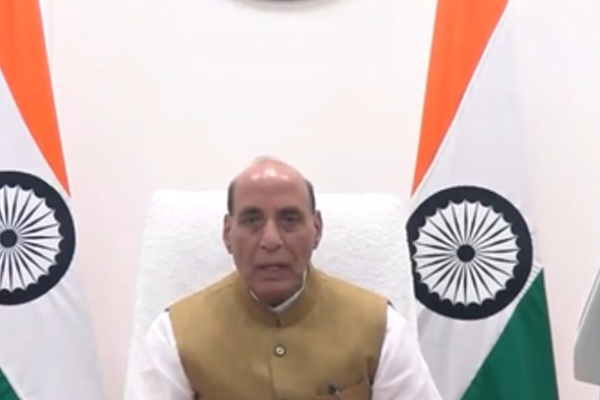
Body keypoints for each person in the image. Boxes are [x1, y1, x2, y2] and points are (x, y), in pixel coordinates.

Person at [129, 156, 442, 400]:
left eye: (289, 220)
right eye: (252, 220)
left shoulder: (381, 328)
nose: (271, 240)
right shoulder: (174, 336)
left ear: (316, 229)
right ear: (227, 234)